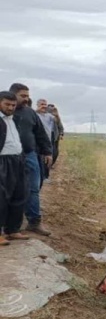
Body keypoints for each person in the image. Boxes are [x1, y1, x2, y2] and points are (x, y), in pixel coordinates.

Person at [9, 83, 52, 236]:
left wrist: (47, 152)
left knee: (33, 188)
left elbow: (40, 133)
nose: (27, 99)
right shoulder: (5, 113)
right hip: (8, 158)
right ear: (13, 94)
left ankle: (34, 222)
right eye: (23, 96)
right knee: (10, 190)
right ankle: (10, 226)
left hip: (29, 155)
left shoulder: (30, 113)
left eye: (28, 96)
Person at [0, 92, 30, 245]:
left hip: (17, 160)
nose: (11, 108)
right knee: (1, 197)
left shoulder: (14, 119)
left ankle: (13, 230)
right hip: (2, 162)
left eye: (13, 105)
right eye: (7, 104)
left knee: (19, 194)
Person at [35, 99, 55, 181]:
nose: (44, 106)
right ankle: (39, 176)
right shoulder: (34, 114)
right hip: (37, 141)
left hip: (47, 140)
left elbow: (57, 121)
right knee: (39, 159)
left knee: (47, 158)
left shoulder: (49, 116)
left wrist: (57, 115)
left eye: (45, 104)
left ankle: (45, 176)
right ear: (38, 105)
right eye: (42, 104)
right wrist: (37, 111)